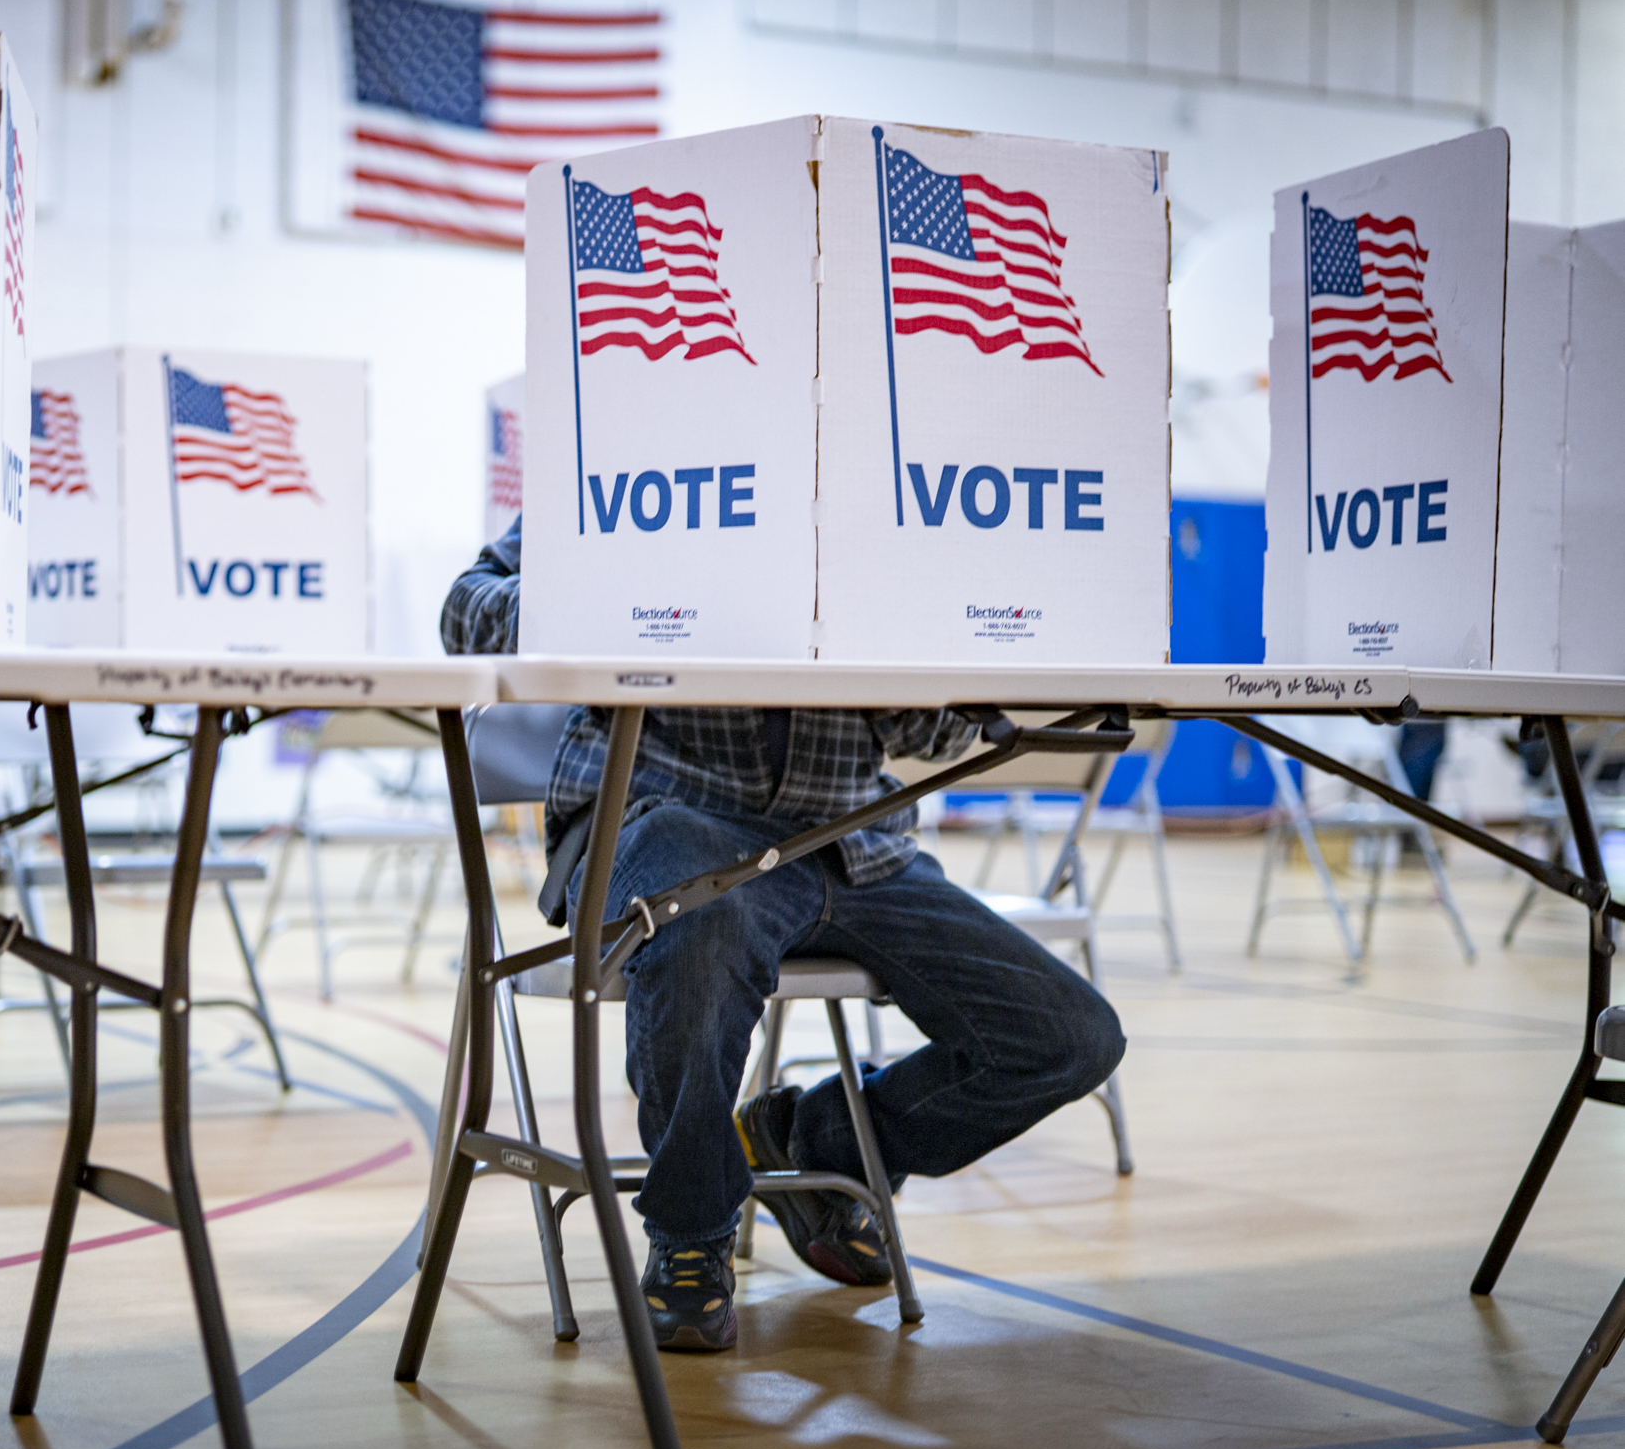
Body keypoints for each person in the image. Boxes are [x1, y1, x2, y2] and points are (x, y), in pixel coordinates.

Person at [441, 516, 1127, 1352]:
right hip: (669, 815)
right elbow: (464, 613)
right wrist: (613, 590)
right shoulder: (628, 460)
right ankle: (691, 1230)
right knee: (704, 921)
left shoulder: (878, 485)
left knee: (1070, 1037)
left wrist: (915, 649)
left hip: (852, 836)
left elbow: (932, 734)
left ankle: (817, 1139)